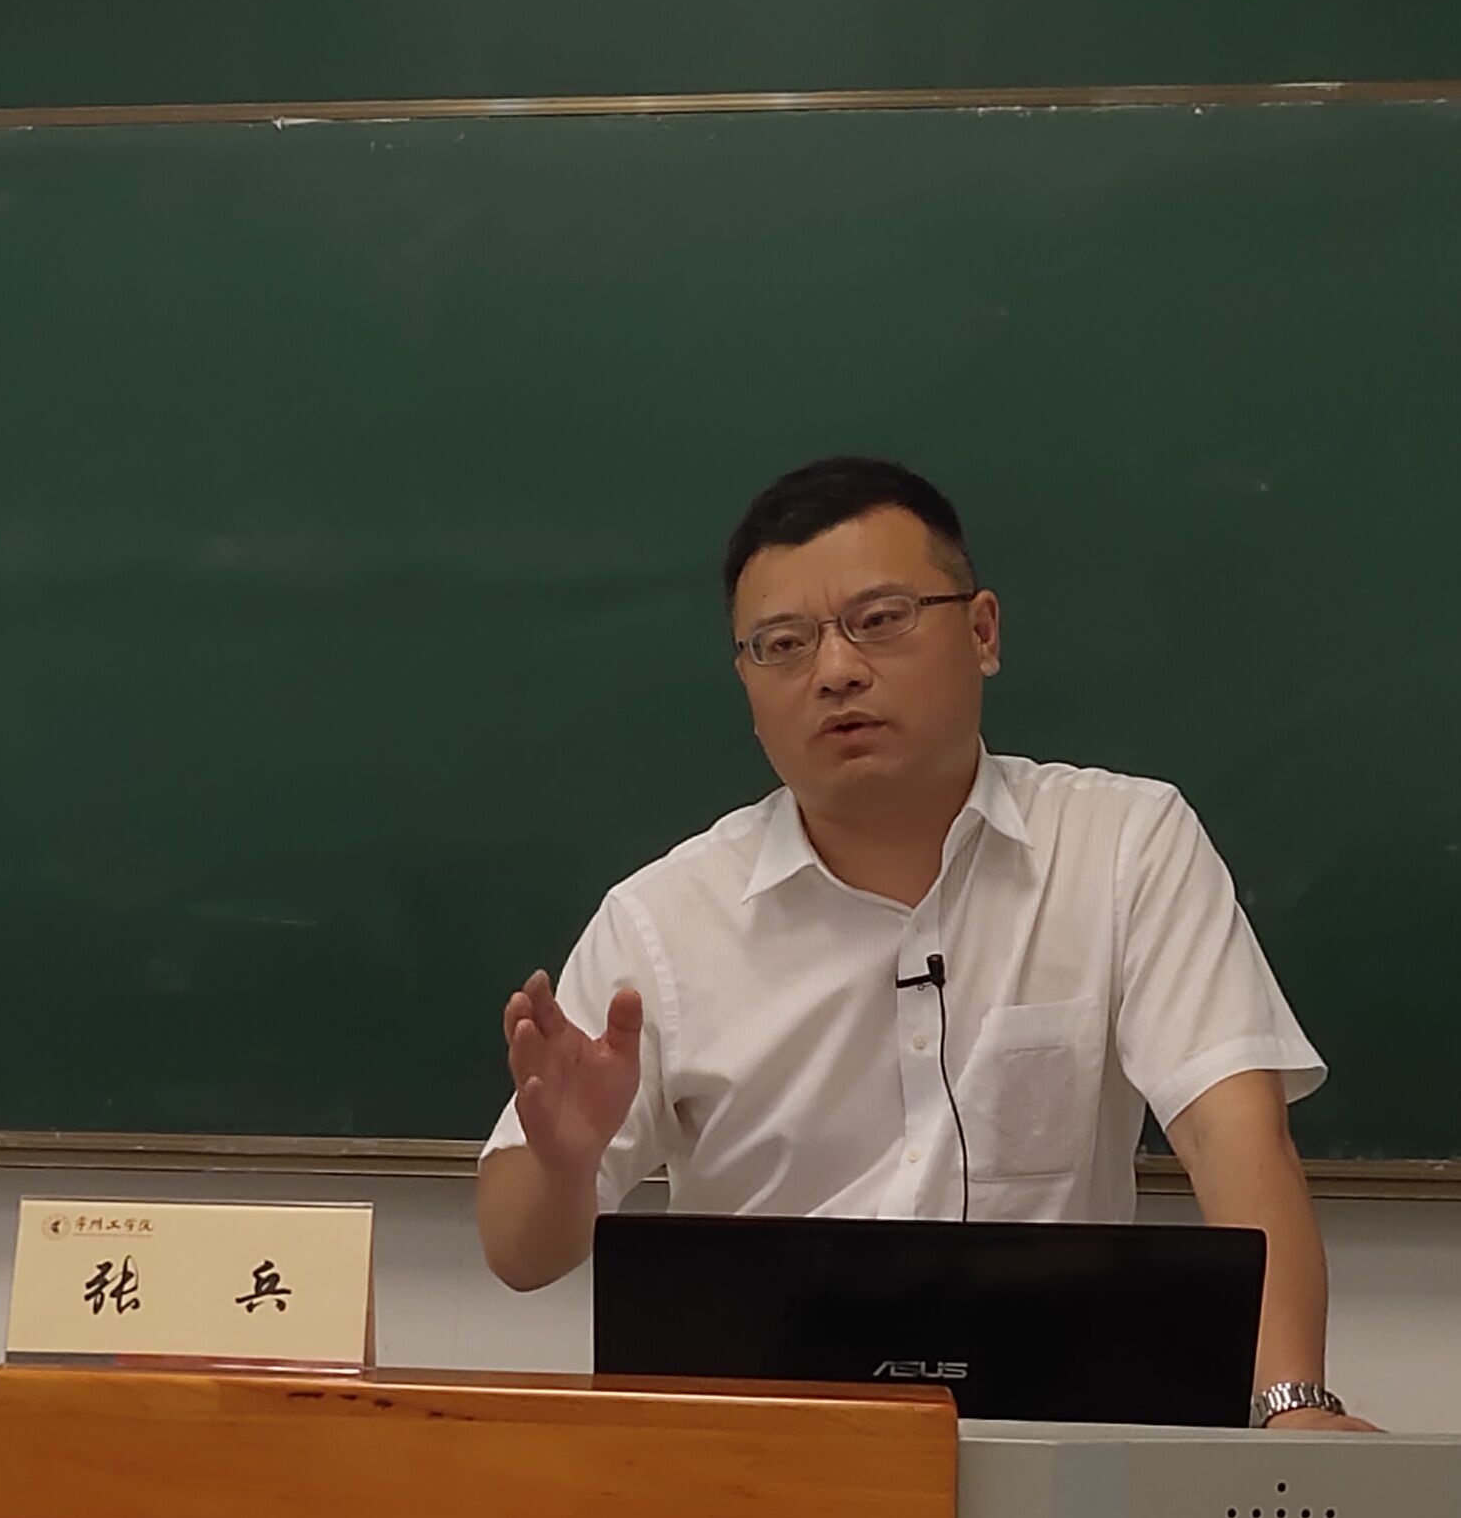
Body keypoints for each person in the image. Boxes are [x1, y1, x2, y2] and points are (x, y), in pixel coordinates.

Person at [476, 452, 1370, 1429]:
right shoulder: (662, 919)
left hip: (1054, 1439)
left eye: (880, 620)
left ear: (981, 632)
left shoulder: (1122, 846)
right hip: (759, 1453)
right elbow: (520, 1255)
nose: (836, 671)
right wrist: (564, 1167)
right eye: (782, 645)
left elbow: (1231, 1134)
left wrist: (1291, 1403)